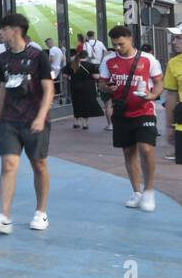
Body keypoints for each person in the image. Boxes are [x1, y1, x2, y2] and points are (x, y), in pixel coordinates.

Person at [0, 13, 54, 235]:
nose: (0, 33)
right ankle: (4, 217)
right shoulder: (3, 58)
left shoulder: (37, 56)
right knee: (8, 165)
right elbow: (3, 89)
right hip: (9, 121)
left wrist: (41, 117)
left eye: (3, 29)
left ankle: (41, 212)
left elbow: (49, 89)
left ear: (15, 30)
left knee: (39, 165)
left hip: (34, 120)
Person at [100, 25, 163, 212]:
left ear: (130, 39)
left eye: (121, 44)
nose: (117, 48)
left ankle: (149, 191)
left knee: (146, 149)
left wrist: (152, 96)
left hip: (145, 111)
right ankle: (137, 192)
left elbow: (159, 83)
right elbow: (102, 83)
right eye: (114, 45)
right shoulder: (109, 61)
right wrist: (106, 88)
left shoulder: (148, 59)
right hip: (121, 113)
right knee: (129, 152)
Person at [162, 27, 182, 166]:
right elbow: (171, 96)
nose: (174, 42)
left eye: (179, 38)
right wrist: (170, 126)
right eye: (174, 38)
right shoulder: (173, 63)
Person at [68, 49, 100, 129]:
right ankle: (85, 124)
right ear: (87, 56)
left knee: (76, 104)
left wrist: (71, 78)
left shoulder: (72, 64)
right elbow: (96, 76)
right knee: (86, 104)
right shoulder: (91, 65)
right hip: (88, 88)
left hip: (75, 87)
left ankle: (76, 122)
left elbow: (65, 75)